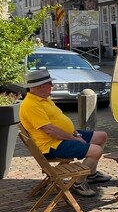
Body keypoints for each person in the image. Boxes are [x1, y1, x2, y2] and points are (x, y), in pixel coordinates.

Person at [19, 69, 111, 197]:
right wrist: (74, 139)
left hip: (63, 137)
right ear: (40, 86)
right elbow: (49, 130)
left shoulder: (43, 98)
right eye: (50, 83)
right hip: (52, 145)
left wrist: (74, 133)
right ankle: (78, 183)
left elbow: (59, 119)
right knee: (96, 151)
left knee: (102, 136)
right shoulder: (31, 105)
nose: (52, 85)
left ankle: (91, 174)